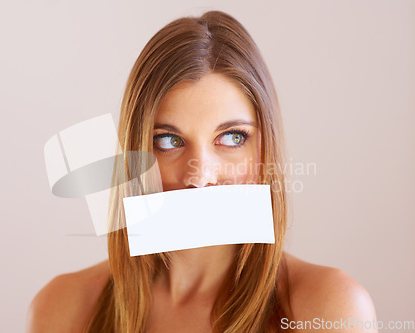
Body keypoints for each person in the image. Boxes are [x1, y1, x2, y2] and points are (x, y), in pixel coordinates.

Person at [26, 10, 377, 333]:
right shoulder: (63, 307)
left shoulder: (330, 307)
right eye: (168, 141)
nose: (200, 176)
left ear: (266, 146)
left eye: (232, 137)